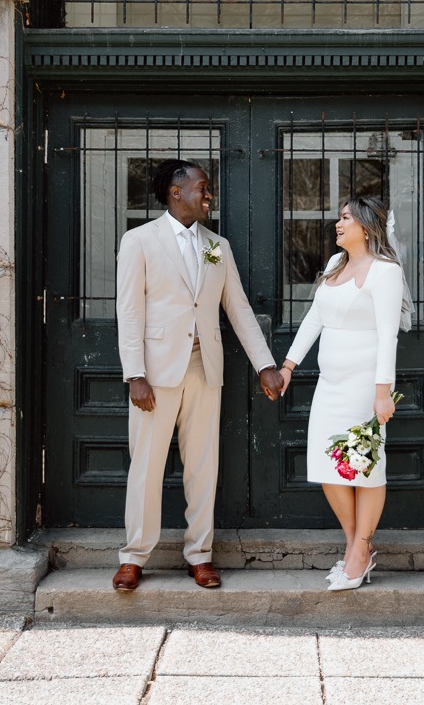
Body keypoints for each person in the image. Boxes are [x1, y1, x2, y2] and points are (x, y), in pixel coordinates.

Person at [113, 159, 283, 591]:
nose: (209, 195)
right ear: (176, 191)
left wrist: (264, 364)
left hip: (204, 368)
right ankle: (134, 557)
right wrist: (134, 373)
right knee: (146, 468)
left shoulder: (217, 246)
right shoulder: (138, 241)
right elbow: (128, 311)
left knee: (203, 468)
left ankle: (200, 555)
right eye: (202, 188)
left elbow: (239, 308)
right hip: (154, 373)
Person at [279, 196, 404, 592]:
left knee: (364, 468)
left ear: (366, 226)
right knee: (328, 464)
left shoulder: (384, 272)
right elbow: (315, 318)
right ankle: (357, 547)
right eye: (339, 217)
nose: (339, 223)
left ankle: (358, 550)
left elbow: (388, 335)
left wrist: (382, 393)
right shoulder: (335, 266)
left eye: (346, 217)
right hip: (329, 385)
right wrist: (288, 366)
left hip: (364, 386)